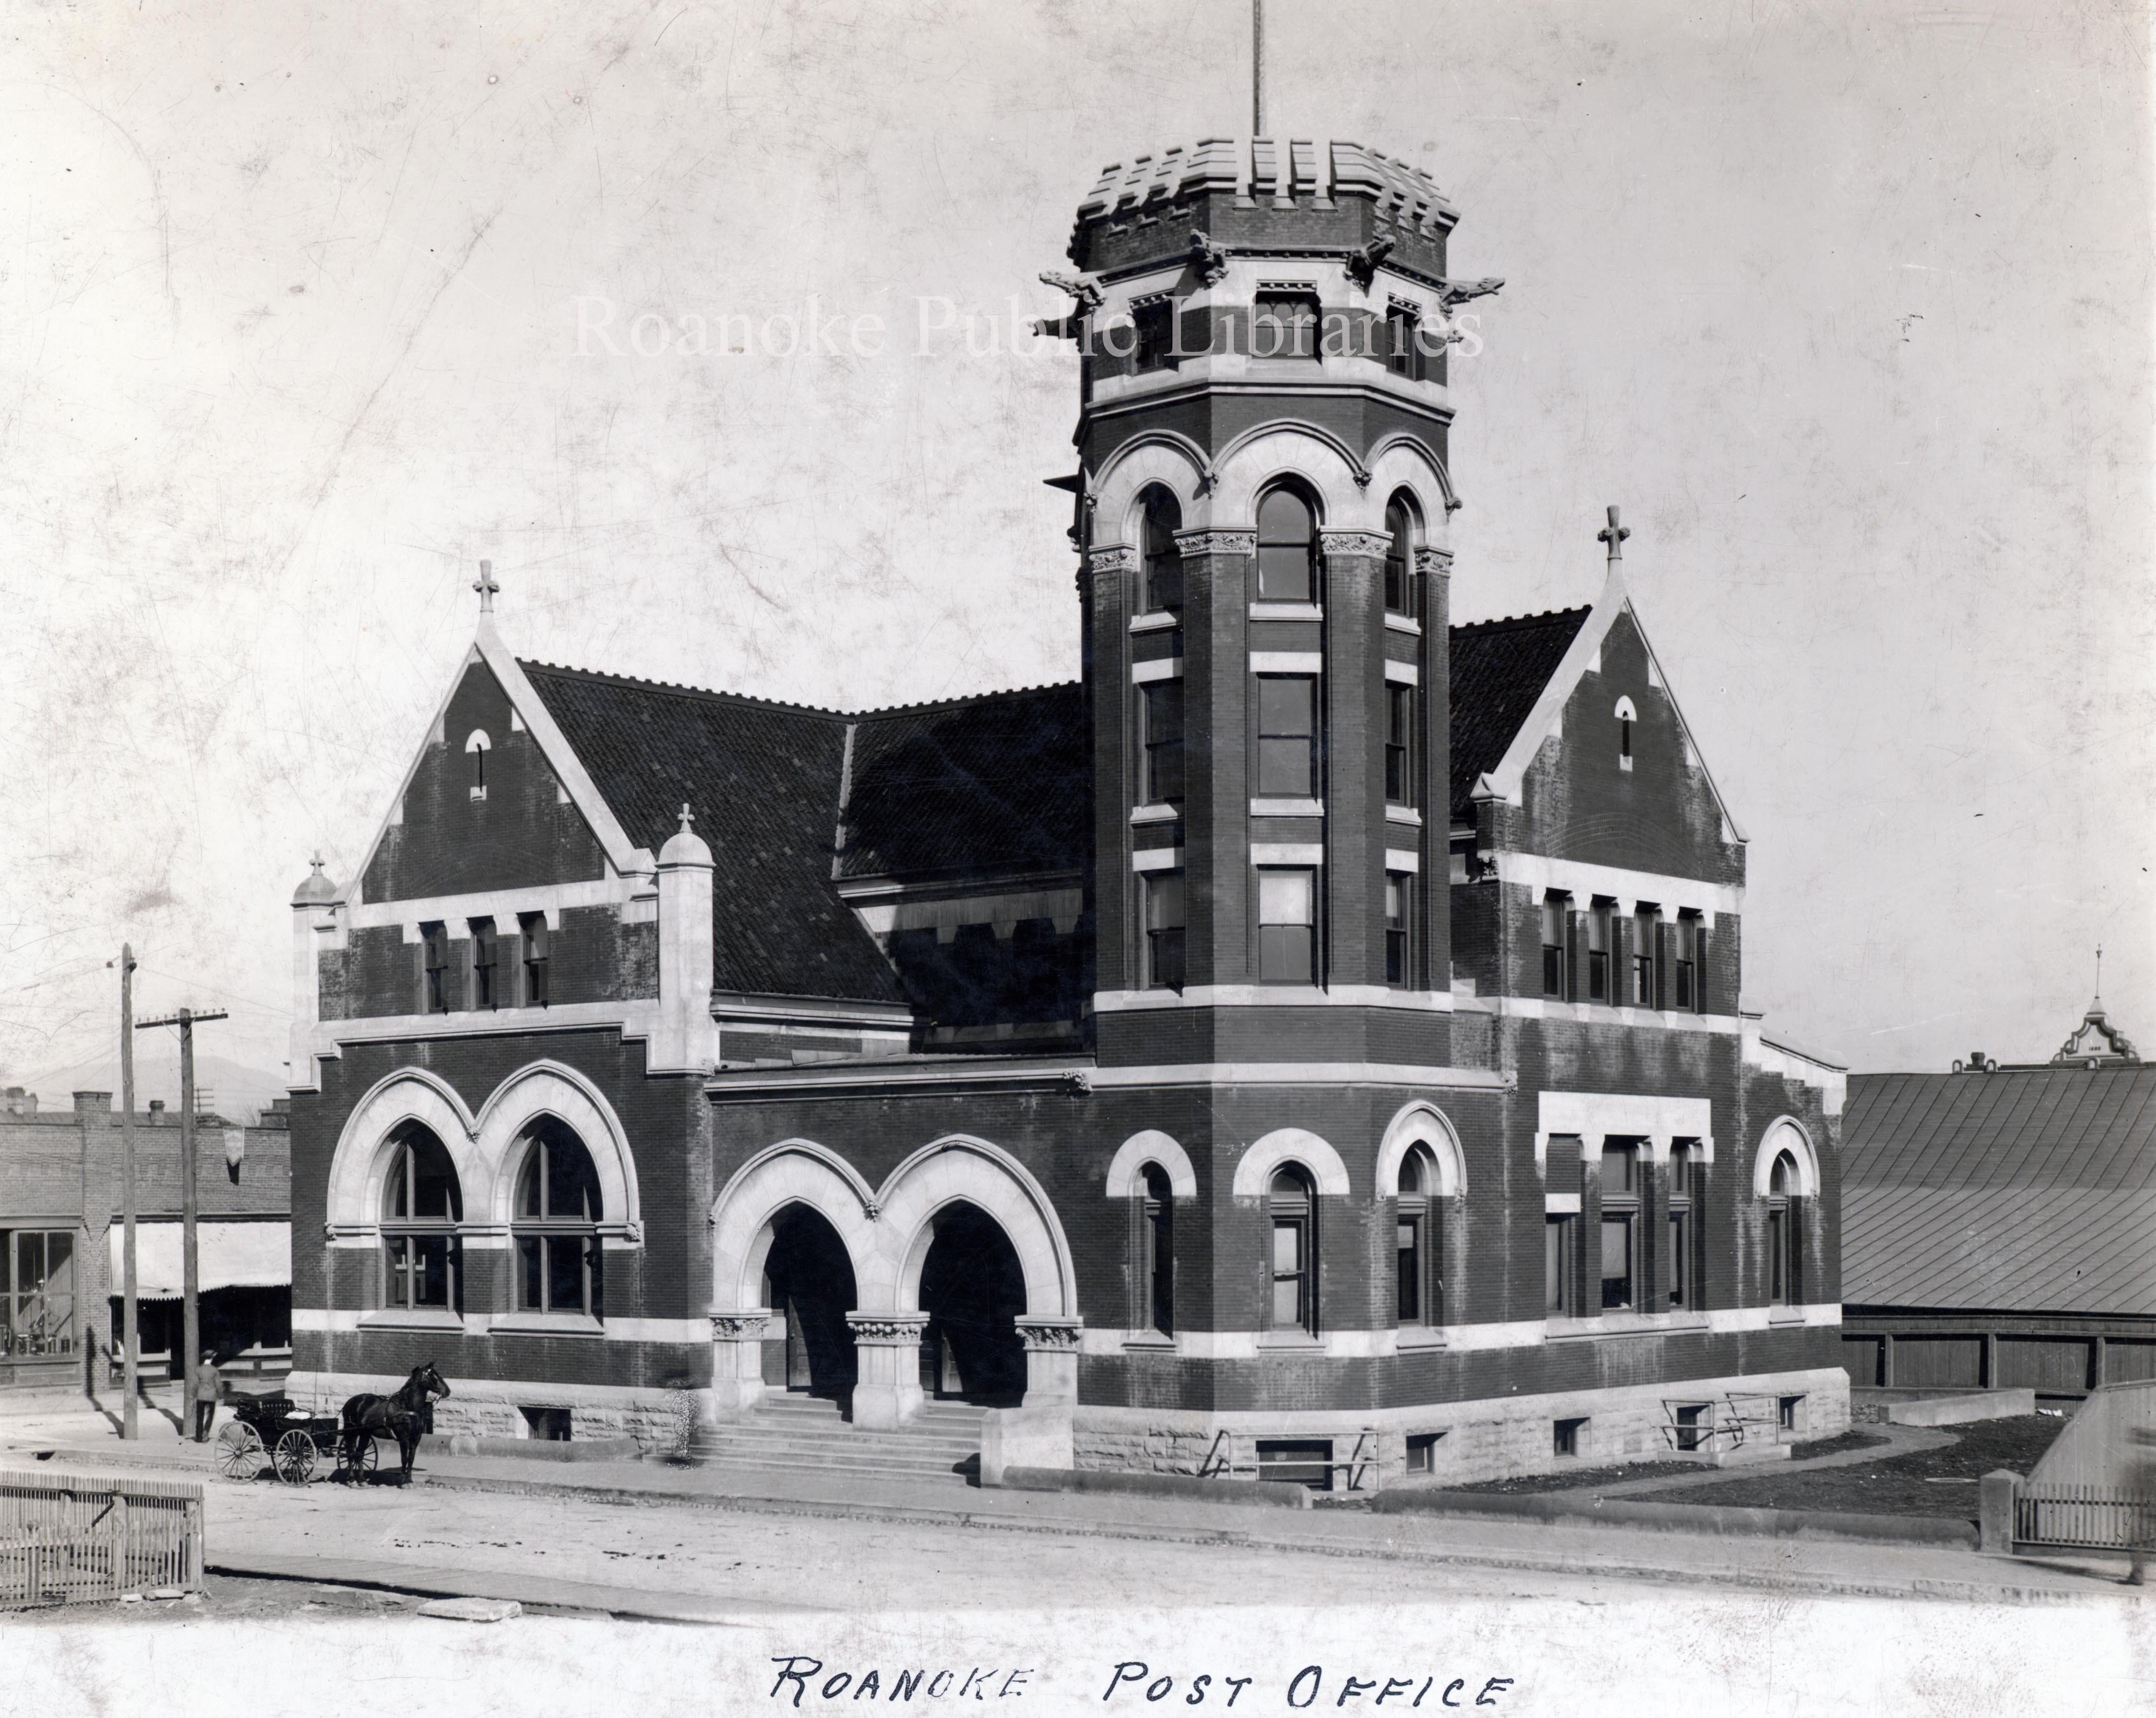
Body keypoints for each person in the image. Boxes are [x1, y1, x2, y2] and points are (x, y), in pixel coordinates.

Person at [192, 1350, 221, 1443]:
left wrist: (193, 1396)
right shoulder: (214, 1370)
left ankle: (199, 1438)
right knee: (210, 1416)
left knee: (200, 1417)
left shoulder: (198, 1369)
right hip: (212, 1395)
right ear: (212, 1358)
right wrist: (221, 1395)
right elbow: (218, 1384)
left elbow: (195, 1384)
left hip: (200, 1395)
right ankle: (206, 1432)